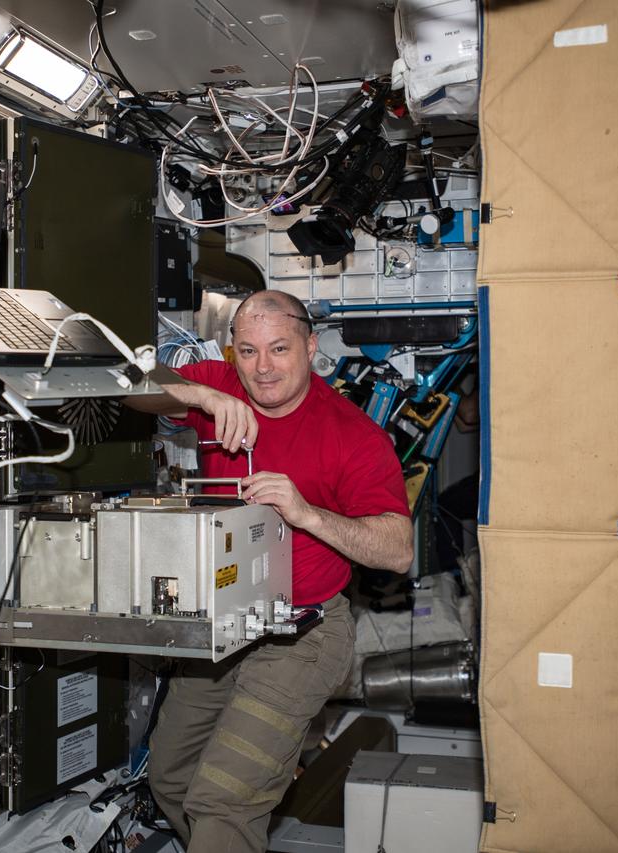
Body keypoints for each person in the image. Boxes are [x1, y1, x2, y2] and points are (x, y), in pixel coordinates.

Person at [127, 290, 413, 852]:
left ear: (310, 347)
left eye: (279, 349)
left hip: (303, 632)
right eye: (249, 350)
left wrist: (307, 514)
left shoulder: (352, 436)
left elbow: (398, 550)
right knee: (171, 780)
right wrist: (203, 395)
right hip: (227, 624)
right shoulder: (224, 387)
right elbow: (130, 384)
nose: (263, 368)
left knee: (224, 801)